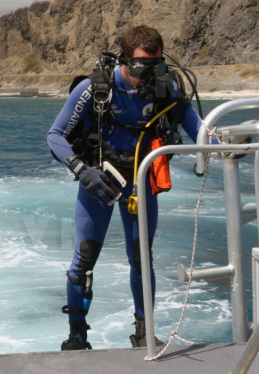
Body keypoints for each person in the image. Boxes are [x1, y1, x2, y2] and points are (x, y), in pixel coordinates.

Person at [47, 25, 207, 350]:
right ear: (122, 60)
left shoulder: (167, 89)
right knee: (84, 260)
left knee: (141, 258)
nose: (147, 76)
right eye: (140, 67)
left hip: (140, 182)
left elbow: (201, 132)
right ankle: (77, 335)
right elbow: (55, 135)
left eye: (156, 66)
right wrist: (81, 170)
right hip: (99, 181)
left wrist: (231, 144)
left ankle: (143, 333)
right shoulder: (97, 88)